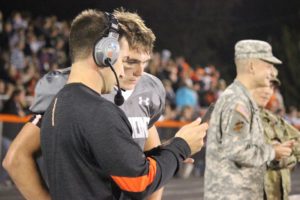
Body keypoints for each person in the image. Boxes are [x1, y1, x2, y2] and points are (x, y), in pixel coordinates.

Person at [5, 9, 208, 200]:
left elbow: (132, 155)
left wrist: (165, 154)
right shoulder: (75, 95)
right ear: (106, 55)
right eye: (127, 60)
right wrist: (180, 147)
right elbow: (16, 158)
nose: (138, 72)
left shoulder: (149, 88)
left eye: (144, 62)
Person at [204, 39, 293, 200]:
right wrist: (273, 151)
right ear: (252, 66)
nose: (272, 72)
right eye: (268, 65)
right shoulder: (237, 101)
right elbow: (238, 151)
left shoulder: (243, 98)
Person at [252, 73, 300, 200]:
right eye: (264, 86)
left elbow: (298, 143)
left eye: (271, 88)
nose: (268, 92)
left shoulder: (274, 119)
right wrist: (274, 156)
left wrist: (285, 157)